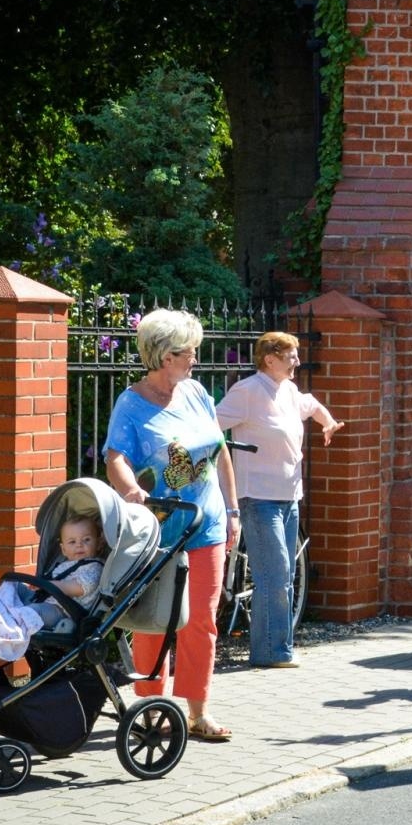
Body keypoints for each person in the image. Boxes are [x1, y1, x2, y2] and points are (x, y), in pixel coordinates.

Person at [105, 309, 241, 743]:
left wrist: (234, 511)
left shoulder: (196, 392)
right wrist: (130, 492)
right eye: (189, 353)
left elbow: (220, 451)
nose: (195, 360)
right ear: (166, 356)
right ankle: (150, 708)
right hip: (160, 532)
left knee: (201, 620)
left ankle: (198, 713)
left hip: (207, 525)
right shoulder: (131, 404)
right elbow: (116, 458)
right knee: (155, 621)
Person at [216, 331, 344, 669]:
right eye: (291, 356)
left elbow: (312, 403)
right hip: (258, 497)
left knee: (282, 577)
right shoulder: (247, 392)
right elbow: (211, 424)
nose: (297, 363)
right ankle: (271, 652)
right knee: (275, 573)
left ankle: (277, 648)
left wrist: (328, 422)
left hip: (289, 496)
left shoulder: (287, 391)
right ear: (269, 359)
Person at [0, 515, 109, 663]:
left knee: (35, 610)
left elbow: (76, 588)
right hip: (46, 598)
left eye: (86, 540)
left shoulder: (94, 567)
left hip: (63, 611)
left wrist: (47, 585)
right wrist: (40, 585)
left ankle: (6, 622)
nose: (79, 545)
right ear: (63, 549)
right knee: (14, 585)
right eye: (72, 542)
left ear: (99, 543)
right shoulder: (65, 564)